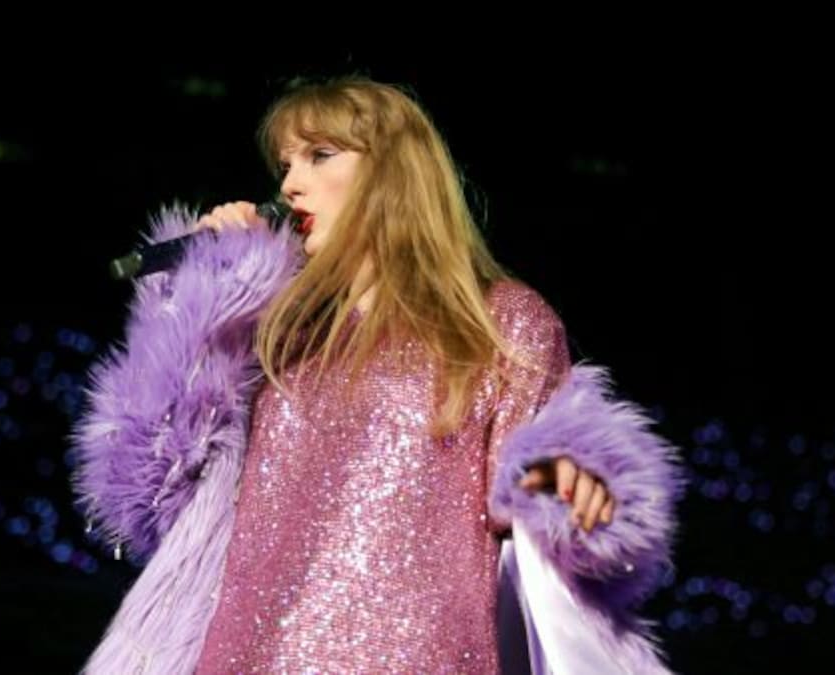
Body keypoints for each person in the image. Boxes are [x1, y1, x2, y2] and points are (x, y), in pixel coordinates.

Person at [71, 76, 685, 674]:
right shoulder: (274, 333)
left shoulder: (498, 324)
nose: (289, 184)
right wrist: (208, 294)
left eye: (320, 155)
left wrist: (570, 483)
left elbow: (531, 493)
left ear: (395, 172)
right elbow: (149, 499)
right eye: (285, 165)